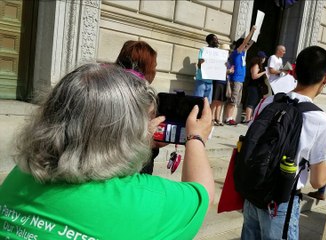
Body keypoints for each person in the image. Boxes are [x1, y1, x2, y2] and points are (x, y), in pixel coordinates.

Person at [0, 64, 214, 239]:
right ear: (123, 134)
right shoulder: (144, 201)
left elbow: (89, 154)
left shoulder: (22, 174)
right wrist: (196, 137)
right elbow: (202, 194)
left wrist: (135, 145)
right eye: (142, 121)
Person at [241, 46, 326, 239]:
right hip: (281, 204)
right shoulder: (322, 121)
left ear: (293, 71)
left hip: (252, 196)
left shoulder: (268, 102)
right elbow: (318, 180)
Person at [115, 40, 163, 174]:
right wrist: (154, 141)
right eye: (154, 67)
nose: (155, 71)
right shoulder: (144, 98)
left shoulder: (107, 90)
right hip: (134, 171)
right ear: (146, 69)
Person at [224, 26, 257, 125]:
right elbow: (245, 42)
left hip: (240, 80)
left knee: (237, 100)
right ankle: (228, 118)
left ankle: (231, 117)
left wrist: (255, 35)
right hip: (235, 79)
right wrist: (251, 31)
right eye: (245, 45)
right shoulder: (236, 53)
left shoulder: (242, 53)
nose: (246, 46)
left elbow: (250, 43)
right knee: (232, 100)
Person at [211, 44, 234, 126]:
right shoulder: (219, 60)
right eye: (226, 51)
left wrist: (230, 71)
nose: (228, 52)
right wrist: (228, 71)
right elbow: (218, 71)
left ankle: (218, 118)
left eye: (228, 51)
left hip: (225, 81)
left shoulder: (228, 61)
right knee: (215, 100)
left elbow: (228, 71)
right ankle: (212, 118)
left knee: (221, 101)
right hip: (218, 81)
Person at [243, 51, 268, 123]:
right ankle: (248, 118)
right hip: (253, 87)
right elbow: (254, 76)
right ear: (261, 58)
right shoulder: (256, 65)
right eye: (263, 58)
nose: (264, 60)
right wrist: (263, 72)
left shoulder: (259, 66)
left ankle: (250, 118)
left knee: (255, 103)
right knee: (251, 103)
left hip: (257, 87)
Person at [194, 34, 219, 103]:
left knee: (207, 104)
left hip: (210, 82)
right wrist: (202, 62)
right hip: (201, 80)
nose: (218, 42)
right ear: (211, 41)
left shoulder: (217, 52)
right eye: (216, 40)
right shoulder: (203, 50)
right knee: (198, 102)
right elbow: (199, 65)